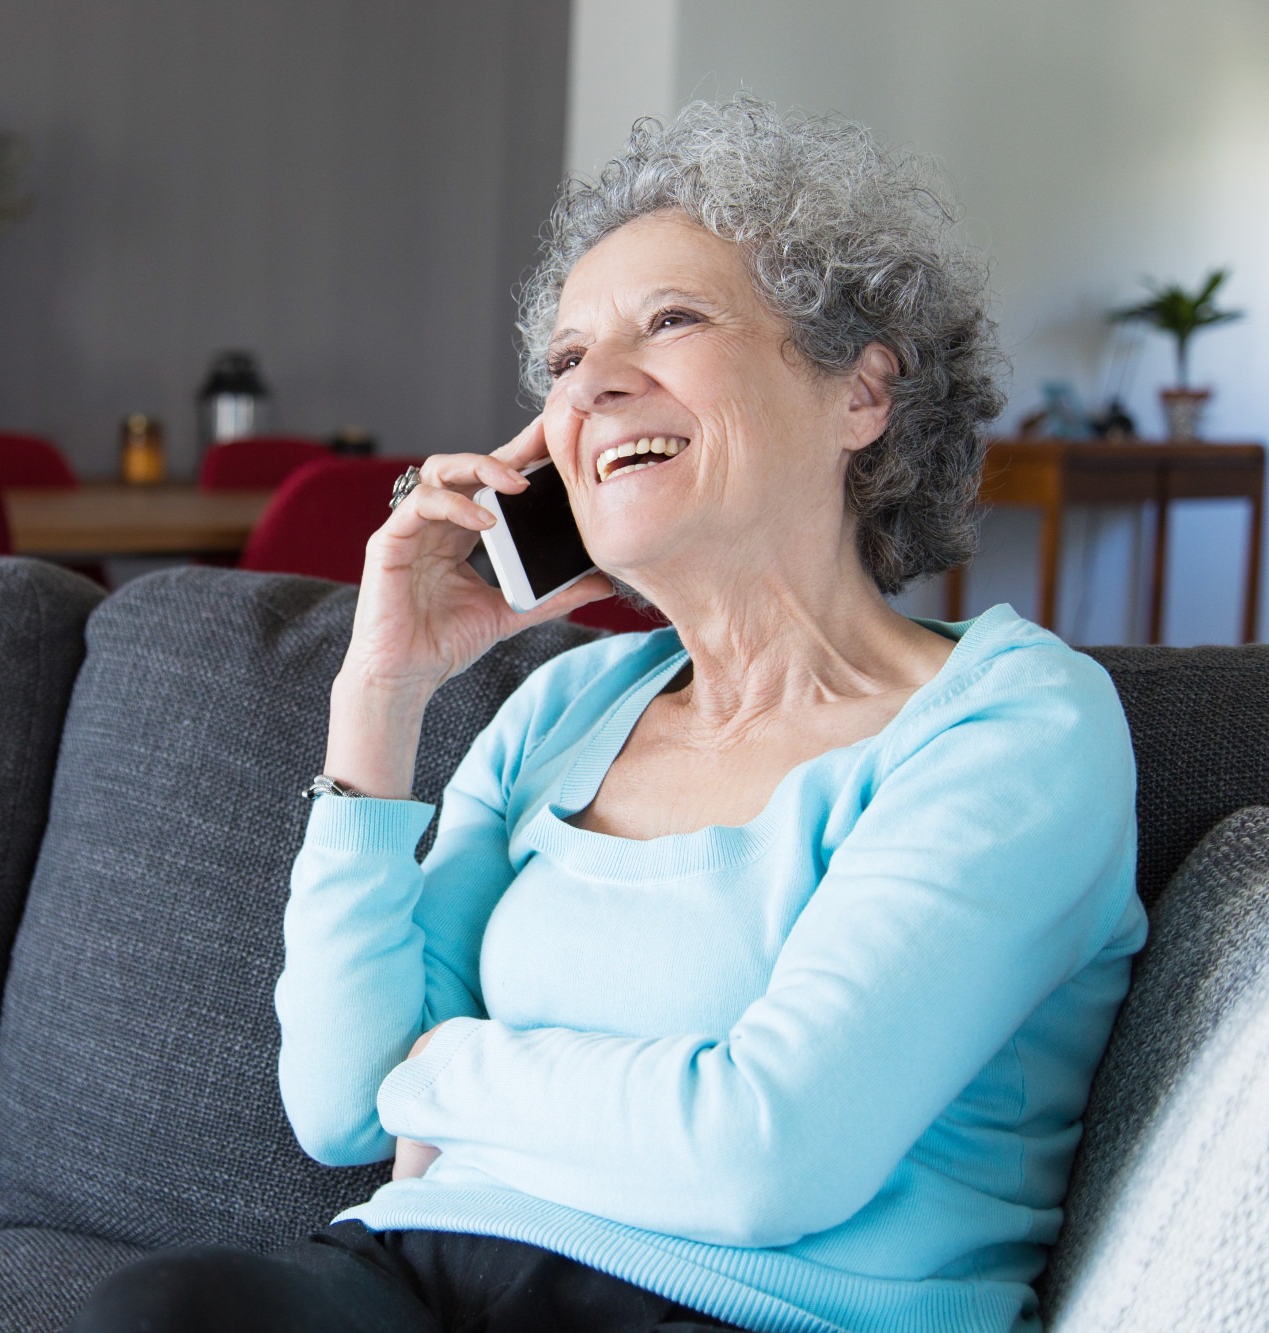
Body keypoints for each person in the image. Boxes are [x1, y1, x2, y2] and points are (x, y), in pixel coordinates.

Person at [65, 95, 1145, 1333]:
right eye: (567, 362)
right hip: (415, 1271)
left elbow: (763, 1157)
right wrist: (380, 694)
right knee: (158, 1310)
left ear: (861, 393)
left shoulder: (1011, 727)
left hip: (753, 1309)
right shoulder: (568, 703)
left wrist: (437, 1073)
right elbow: (333, 1103)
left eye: (670, 322)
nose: (596, 388)